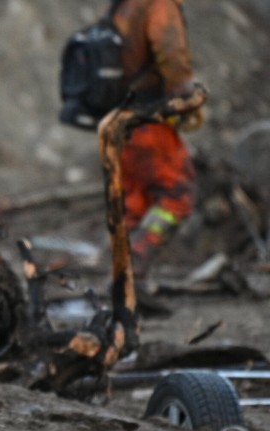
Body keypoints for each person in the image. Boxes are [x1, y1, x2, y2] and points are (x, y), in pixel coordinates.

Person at [110, 0, 204, 286]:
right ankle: (134, 268)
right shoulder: (159, 5)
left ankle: (125, 287)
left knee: (136, 202)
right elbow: (172, 57)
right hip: (151, 119)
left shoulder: (123, 6)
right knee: (177, 196)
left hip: (120, 120)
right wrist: (187, 104)